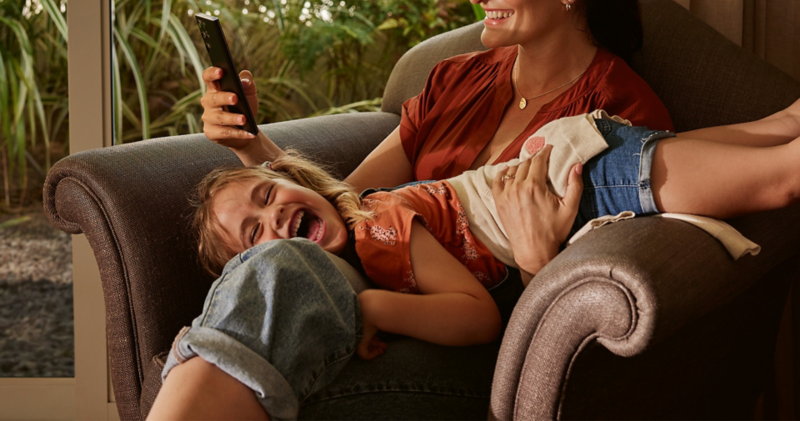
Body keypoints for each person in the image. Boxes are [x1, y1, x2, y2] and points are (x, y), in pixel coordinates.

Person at [151, 0, 679, 419]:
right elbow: (347, 200)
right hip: (373, 302)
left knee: (278, 280)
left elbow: (581, 305)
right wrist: (250, 146)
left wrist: (535, 261)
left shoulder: (615, 118)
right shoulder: (457, 81)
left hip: (480, 344)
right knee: (280, 263)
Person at [157, 99, 800, 421]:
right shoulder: (365, 223)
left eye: (272, 196)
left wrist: (375, 307)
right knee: (782, 123)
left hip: (582, 176)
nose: (274, 224)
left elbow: (475, 315)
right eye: (253, 237)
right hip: (581, 150)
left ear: (302, 180)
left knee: (780, 178)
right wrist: (251, 158)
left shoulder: (378, 229)